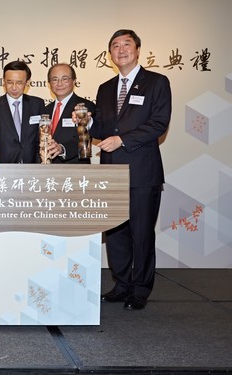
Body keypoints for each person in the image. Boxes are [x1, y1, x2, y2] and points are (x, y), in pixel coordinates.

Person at [89, 29, 172, 310]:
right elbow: (101, 128)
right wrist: (86, 123)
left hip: (142, 172)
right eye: (115, 45)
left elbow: (159, 124)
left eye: (126, 44)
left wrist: (123, 139)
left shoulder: (157, 82)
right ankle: (121, 284)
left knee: (141, 232)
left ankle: (140, 288)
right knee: (116, 233)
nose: (121, 49)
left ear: (138, 50)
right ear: (109, 53)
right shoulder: (105, 88)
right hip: (111, 172)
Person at [0, 60, 49, 163]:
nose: (14, 87)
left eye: (19, 82)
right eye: (10, 82)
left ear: (27, 82)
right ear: (3, 81)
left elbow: (42, 137)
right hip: (2, 169)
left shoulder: (37, 104)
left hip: (32, 168)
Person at [45, 63, 96, 164]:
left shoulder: (85, 107)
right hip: (47, 172)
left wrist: (62, 149)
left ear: (74, 81)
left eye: (65, 79)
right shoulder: (45, 110)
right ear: (49, 83)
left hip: (75, 170)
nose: (59, 84)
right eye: (54, 79)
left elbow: (84, 139)